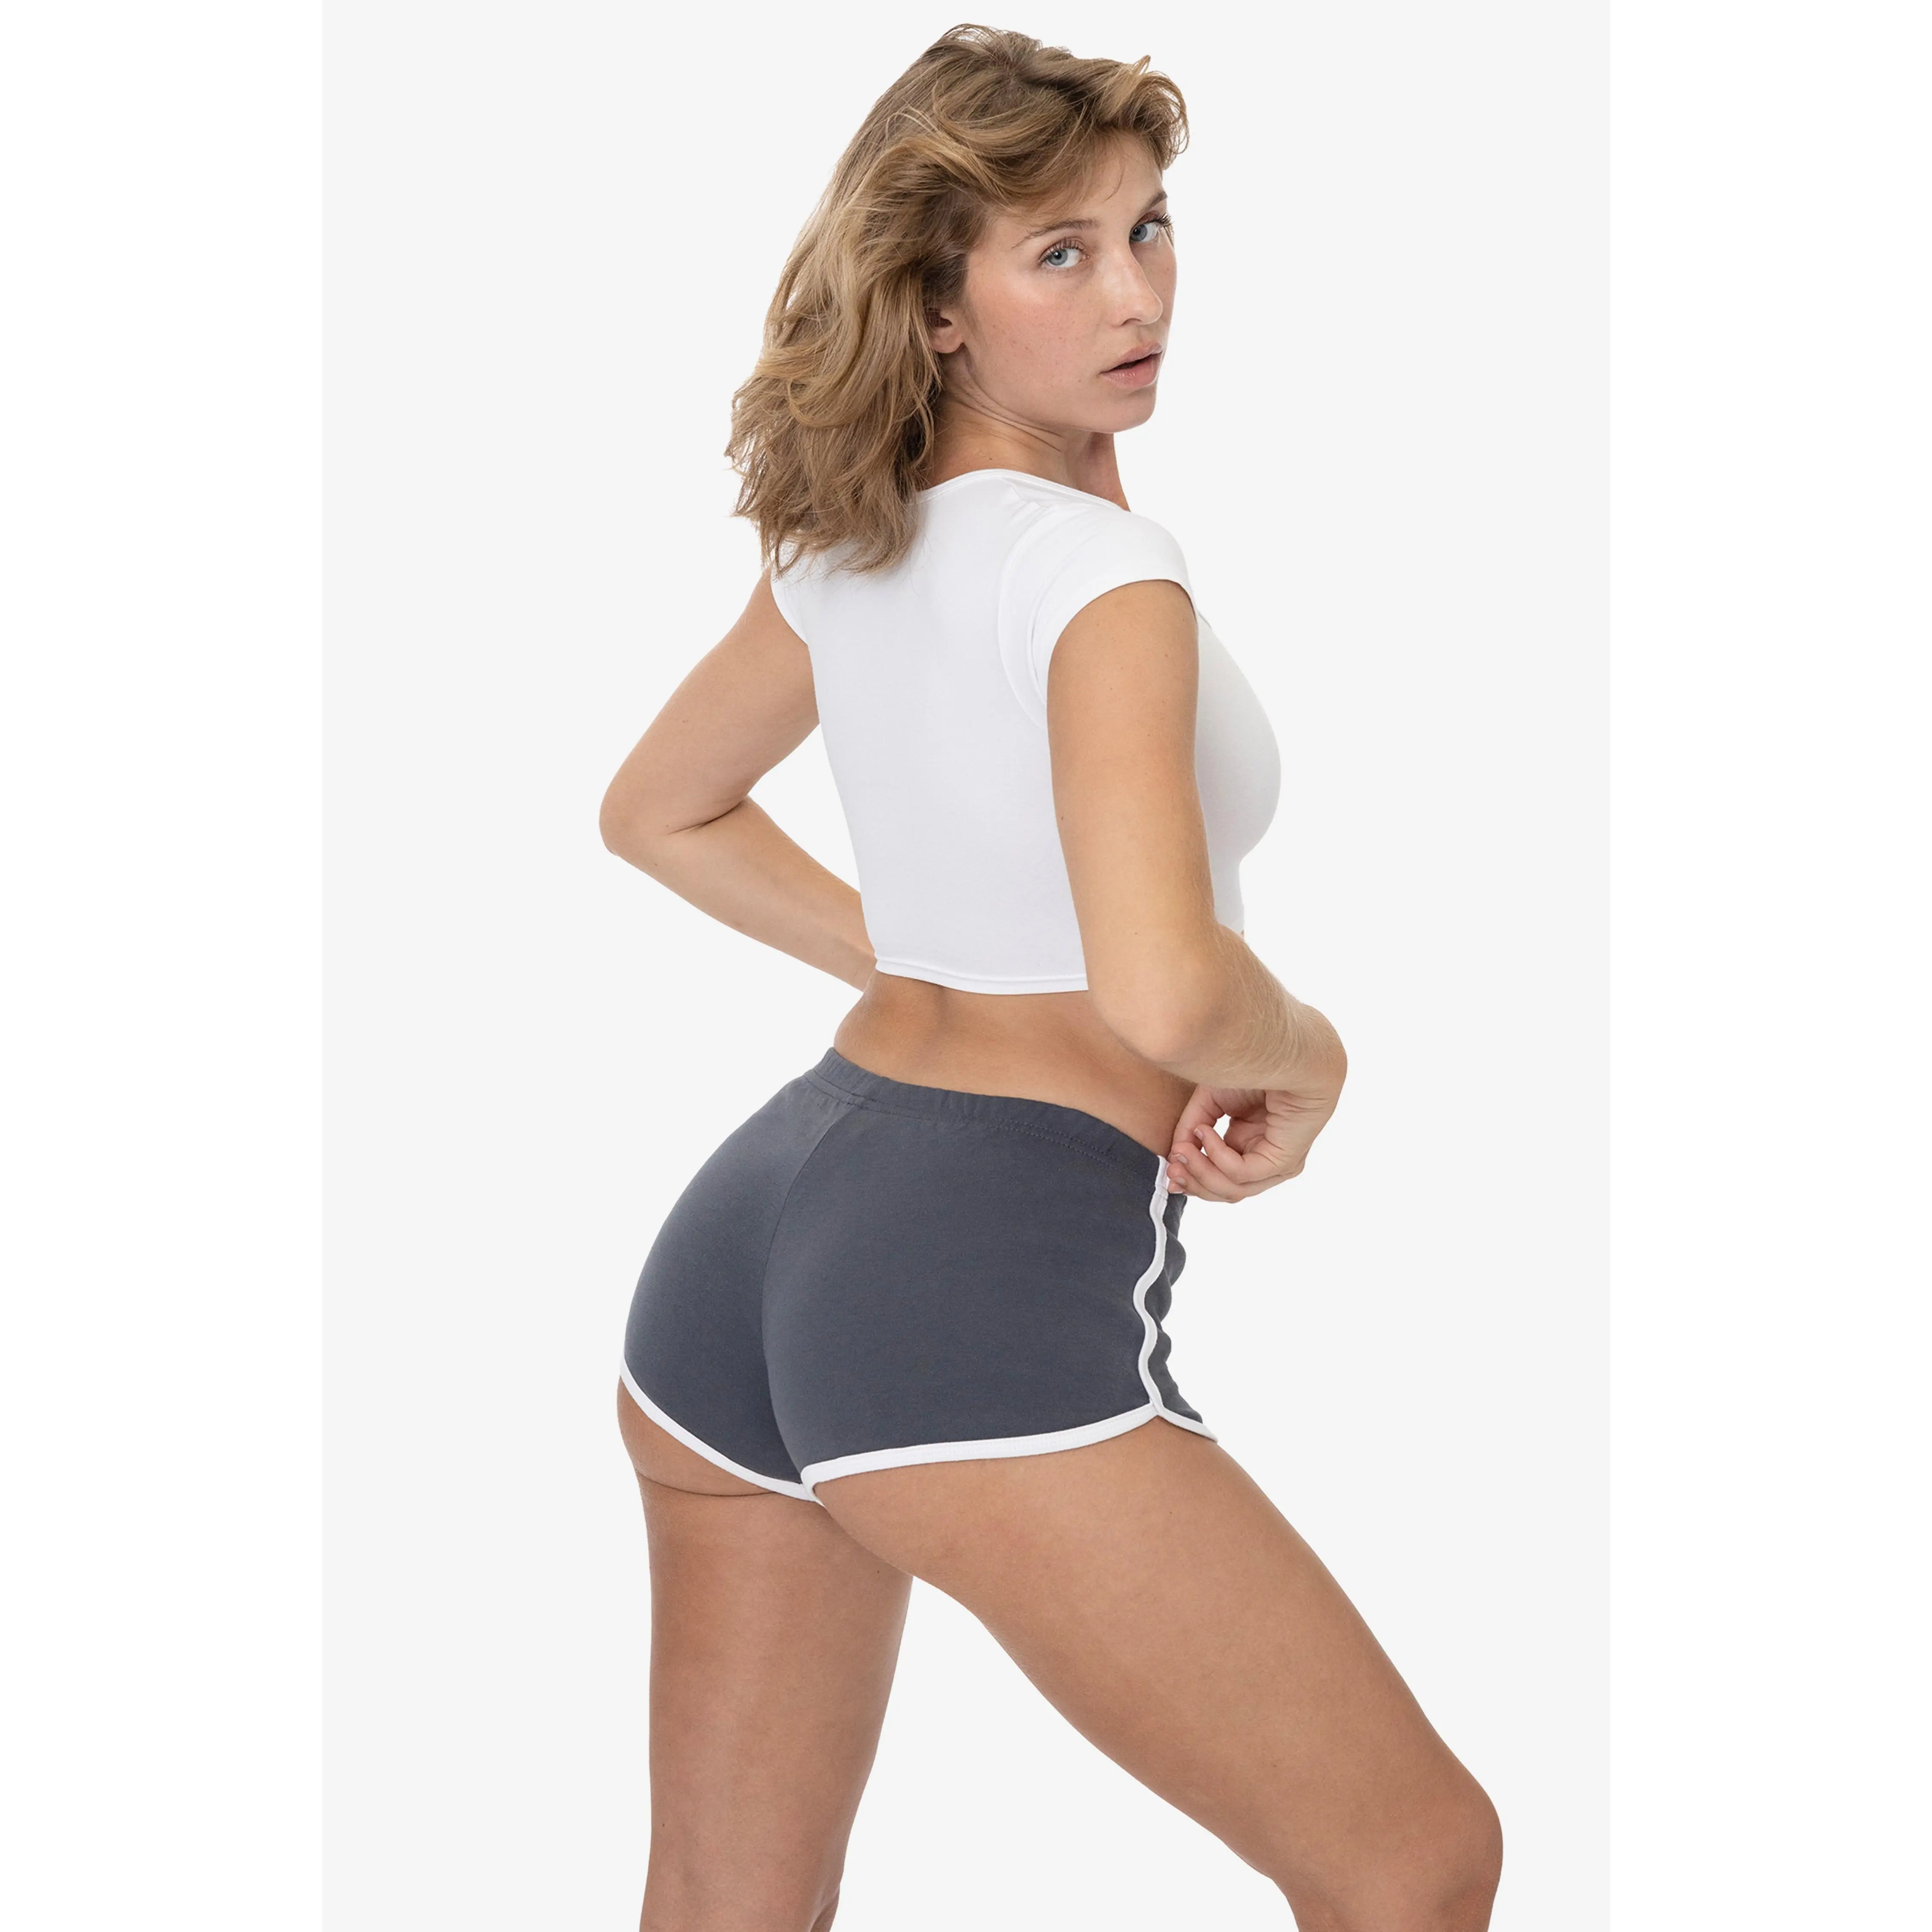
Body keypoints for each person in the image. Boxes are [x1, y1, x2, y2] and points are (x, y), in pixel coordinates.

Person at [598, 25, 1502, 1932]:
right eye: (1061, 253)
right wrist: (1311, 1056)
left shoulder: (853, 547)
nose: (1137, 294)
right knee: (1414, 1865)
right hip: (961, 1270)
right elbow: (1169, 994)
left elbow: (661, 811)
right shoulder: (1104, 577)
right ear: (936, 308)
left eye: (1148, 229)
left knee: (724, 1898)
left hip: (749, 1237)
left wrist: (941, 955)